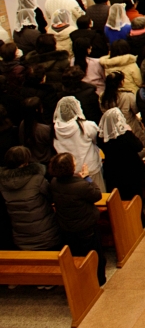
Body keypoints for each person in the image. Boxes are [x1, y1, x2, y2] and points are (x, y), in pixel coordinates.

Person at [47, 153, 105, 283]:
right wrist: (87, 178)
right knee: (94, 253)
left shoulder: (54, 182)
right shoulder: (81, 185)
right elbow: (97, 195)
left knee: (77, 253)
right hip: (86, 226)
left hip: (66, 225)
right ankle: (99, 279)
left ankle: (81, 278)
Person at [0, 146, 60, 250]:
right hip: (46, 236)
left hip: (21, 238)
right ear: (25, 162)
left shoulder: (2, 182)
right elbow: (52, 197)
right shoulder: (37, 179)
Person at [52, 97, 104, 193]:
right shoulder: (87, 125)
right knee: (98, 195)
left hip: (69, 171)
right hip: (90, 168)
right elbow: (96, 140)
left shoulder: (55, 129)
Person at [97, 108, 145, 200]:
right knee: (135, 197)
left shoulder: (102, 137)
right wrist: (129, 131)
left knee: (120, 197)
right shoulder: (126, 135)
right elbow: (139, 146)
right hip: (131, 170)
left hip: (113, 172)